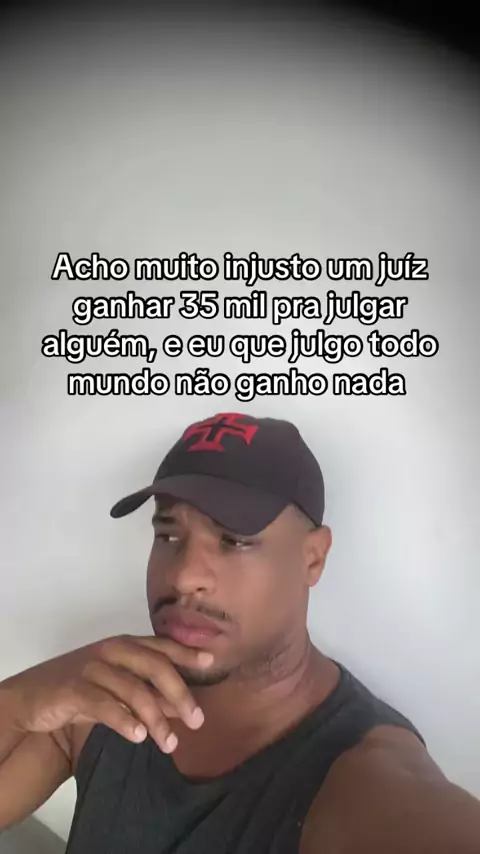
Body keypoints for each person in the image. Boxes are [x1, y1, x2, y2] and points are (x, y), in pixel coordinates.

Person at [0, 412, 479, 853]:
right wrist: (17, 702)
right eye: (168, 535)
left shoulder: (364, 779)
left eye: (234, 539)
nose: (184, 576)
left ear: (313, 558)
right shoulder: (105, 703)